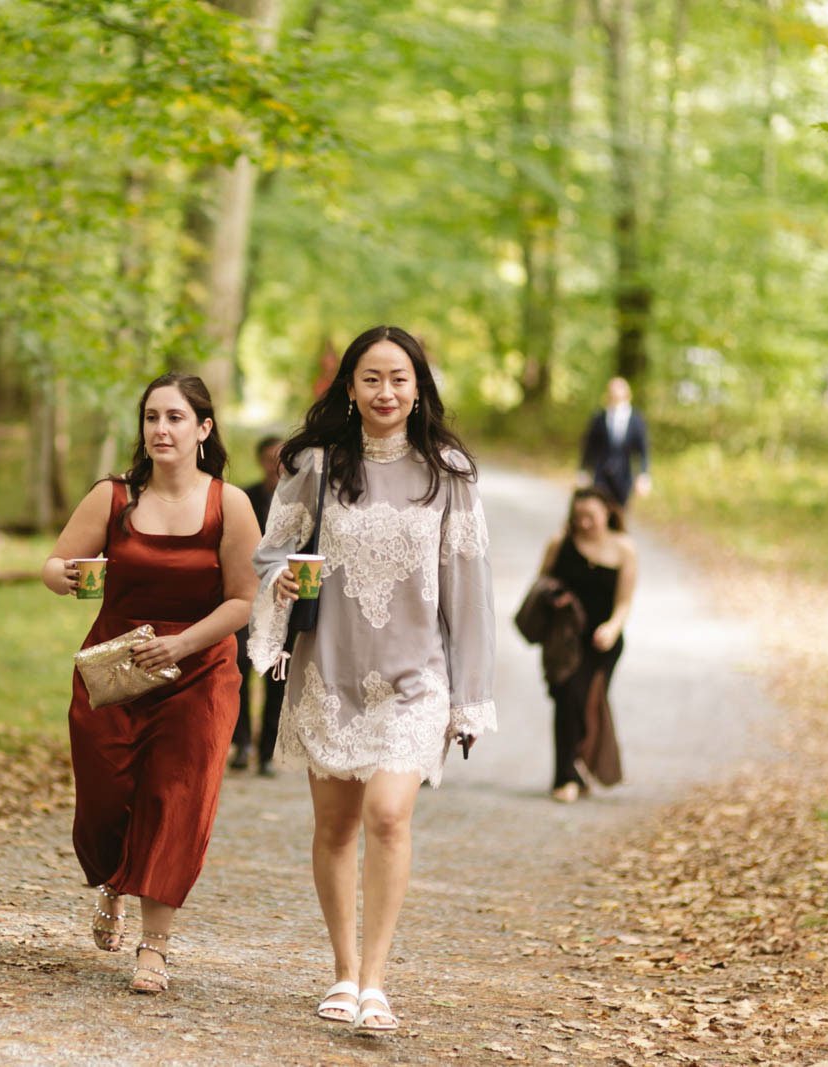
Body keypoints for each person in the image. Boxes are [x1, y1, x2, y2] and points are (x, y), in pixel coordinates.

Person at [248, 325, 496, 1032]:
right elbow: (270, 555)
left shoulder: (449, 471)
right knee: (335, 825)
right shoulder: (318, 465)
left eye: (398, 378)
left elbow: (471, 592)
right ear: (350, 389)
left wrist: (471, 697)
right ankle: (343, 971)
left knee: (388, 813)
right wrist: (282, 589)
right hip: (330, 671)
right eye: (371, 379)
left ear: (418, 387)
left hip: (417, 678)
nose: (386, 391)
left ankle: (378, 980)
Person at [41, 372, 258, 994]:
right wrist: (70, 578)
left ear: (203, 429)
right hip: (114, 671)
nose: (161, 430)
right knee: (107, 797)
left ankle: (154, 948)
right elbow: (56, 564)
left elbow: (244, 600)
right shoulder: (113, 497)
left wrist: (184, 644)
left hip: (200, 671)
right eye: (151, 418)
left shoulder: (230, 504)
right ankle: (113, 879)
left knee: (175, 796)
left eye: (175, 418)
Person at [538, 487, 636, 803]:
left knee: (588, 704)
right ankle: (564, 777)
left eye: (590, 516)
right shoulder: (560, 543)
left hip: (603, 642)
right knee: (567, 699)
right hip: (565, 639)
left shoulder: (624, 550)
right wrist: (555, 599)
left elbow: (624, 601)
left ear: (607, 512)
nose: (584, 524)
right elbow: (541, 584)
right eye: (578, 517)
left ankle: (580, 767)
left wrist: (612, 628)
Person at [231, 435, 286, 776]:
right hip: (246, 598)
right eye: (269, 458)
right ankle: (242, 744)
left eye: (281, 458)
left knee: (277, 677)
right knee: (238, 669)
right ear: (260, 460)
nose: (275, 465)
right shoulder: (245, 498)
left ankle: (267, 752)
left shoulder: (302, 499)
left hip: (284, 604)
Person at [579, 376, 651, 506]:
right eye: (612, 389)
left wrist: (643, 475)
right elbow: (589, 446)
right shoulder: (599, 417)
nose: (615, 392)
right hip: (600, 475)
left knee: (619, 515)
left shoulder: (636, 420)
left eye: (619, 388)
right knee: (599, 510)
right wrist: (583, 470)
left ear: (627, 392)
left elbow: (643, 450)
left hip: (624, 477)